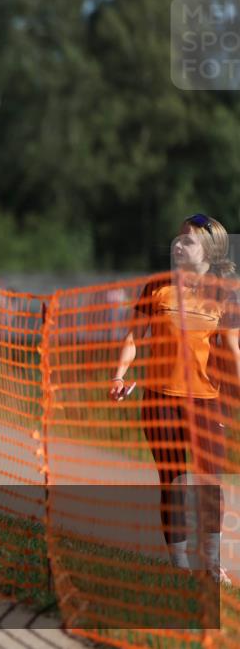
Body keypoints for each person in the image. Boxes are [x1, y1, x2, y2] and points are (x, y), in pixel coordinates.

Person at [111, 213, 240, 585]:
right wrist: (119, 376)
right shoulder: (156, 288)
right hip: (160, 400)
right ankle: (180, 566)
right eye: (178, 239)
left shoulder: (223, 294)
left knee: (210, 483)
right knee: (172, 480)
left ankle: (213, 563)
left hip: (206, 401)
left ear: (209, 251)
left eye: (188, 240)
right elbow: (133, 338)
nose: (178, 244)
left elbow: (232, 350)